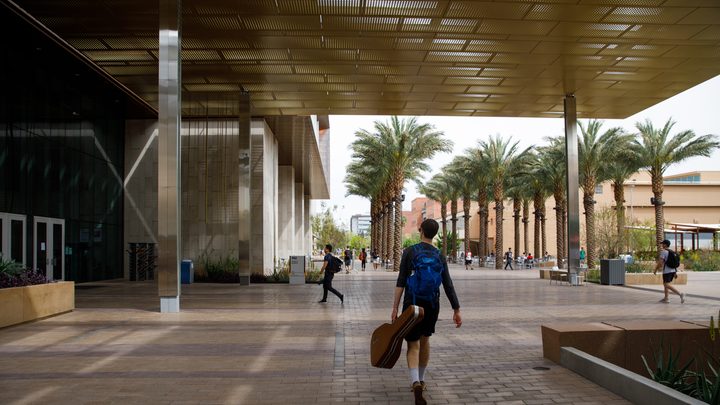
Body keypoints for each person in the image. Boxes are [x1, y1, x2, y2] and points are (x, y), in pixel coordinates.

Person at [392, 219, 461, 405]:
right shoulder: (439, 255)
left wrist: (394, 308)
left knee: (413, 344)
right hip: (432, 305)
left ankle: (414, 381)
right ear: (436, 233)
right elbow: (448, 284)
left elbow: (401, 281)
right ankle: (422, 380)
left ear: (420, 230)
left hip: (412, 305)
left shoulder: (409, 252)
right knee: (425, 340)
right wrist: (456, 309)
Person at [655, 240, 685, 304]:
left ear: (665, 245)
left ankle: (680, 294)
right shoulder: (672, 251)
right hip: (673, 270)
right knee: (666, 284)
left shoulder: (664, 252)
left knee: (666, 284)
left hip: (667, 271)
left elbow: (660, 263)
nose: (662, 245)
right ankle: (666, 298)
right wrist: (675, 272)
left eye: (663, 244)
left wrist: (655, 269)